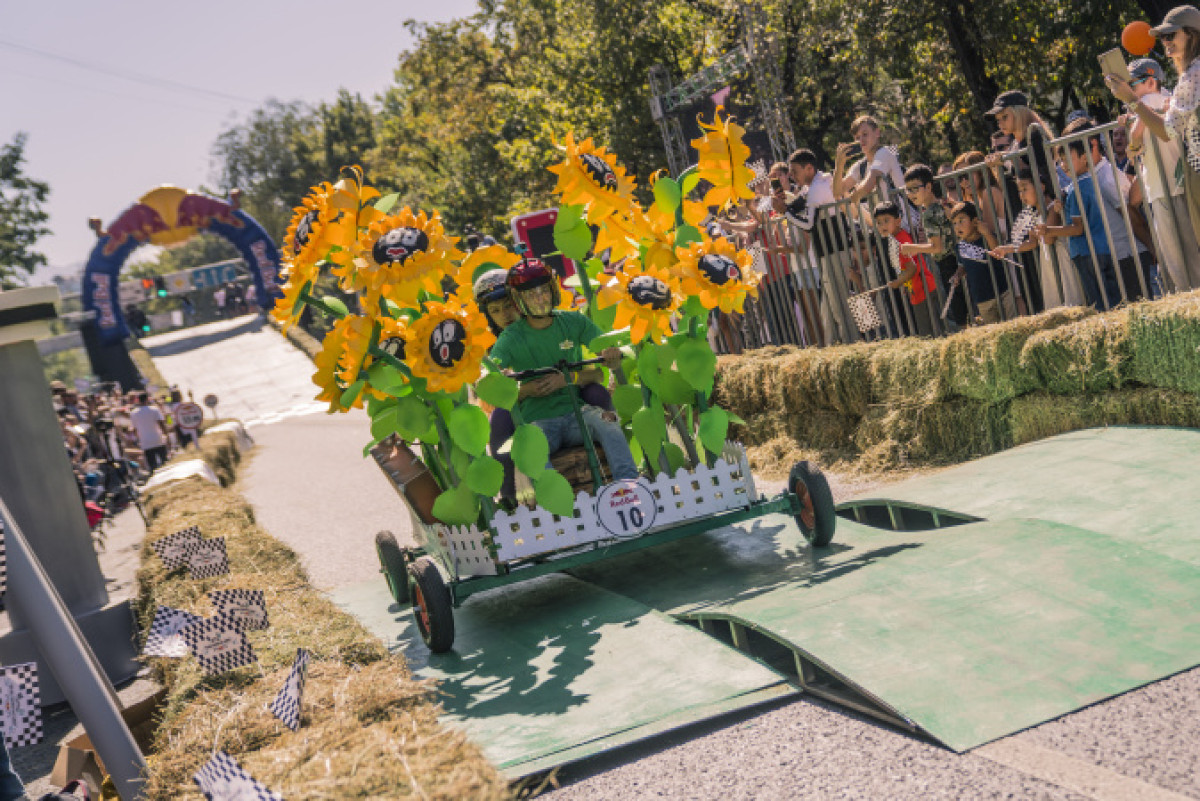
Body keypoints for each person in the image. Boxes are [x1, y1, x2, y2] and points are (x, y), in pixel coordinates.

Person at [488, 258, 638, 492]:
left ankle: (630, 486)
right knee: (533, 450)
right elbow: (490, 382)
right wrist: (522, 389)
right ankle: (556, 508)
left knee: (607, 422)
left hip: (578, 414)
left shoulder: (573, 321)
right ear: (519, 301)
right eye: (531, 295)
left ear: (553, 290)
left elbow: (601, 365)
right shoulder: (510, 339)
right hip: (538, 423)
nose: (539, 300)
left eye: (543, 292)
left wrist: (606, 356)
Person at [1105, 4, 1200, 247]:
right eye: (1163, 37)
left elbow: (1167, 131)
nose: (1165, 41)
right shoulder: (1190, 74)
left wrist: (1132, 101)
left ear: (1192, 34)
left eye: (1171, 35)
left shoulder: (1194, 73)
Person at [1123, 56, 1200, 291]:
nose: (1130, 90)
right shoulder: (1167, 98)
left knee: (1176, 258)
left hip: (1165, 187)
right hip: (1173, 182)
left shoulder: (1150, 99)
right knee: (1188, 252)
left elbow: (1135, 137)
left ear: (1150, 82)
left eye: (1133, 83)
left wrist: (1131, 144)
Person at [1035, 138, 1122, 310]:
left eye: (1068, 158)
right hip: (1102, 248)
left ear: (1084, 158)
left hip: (1086, 252)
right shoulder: (1090, 183)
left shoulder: (1076, 190)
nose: (1064, 164)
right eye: (1061, 160)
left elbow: (1077, 228)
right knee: (1113, 299)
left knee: (1098, 302)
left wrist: (1049, 230)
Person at [991, 167, 1085, 309]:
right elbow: (1032, 242)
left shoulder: (1053, 206)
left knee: (1070, 299)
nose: (1021, 195)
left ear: (1041, 186)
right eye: (1019, 191)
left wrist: (1039, 231)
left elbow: (1049, 239)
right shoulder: (1032, 213)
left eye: (1025, 189)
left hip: (1061, 259)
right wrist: (1007, 248)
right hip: (1047, 262)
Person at [902, 164, 968, 330]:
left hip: (946, 263)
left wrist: (913, 248)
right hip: (960, 258)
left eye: (915, 189)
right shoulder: (941, 204)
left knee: (957, 310)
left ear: (929, 186)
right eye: (908, 190)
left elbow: (936, 247)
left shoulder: (929, 214)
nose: (911, 194)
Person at [834, 114, 918, 230]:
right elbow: (838, 193)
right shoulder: (861, 165)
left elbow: (868, 185)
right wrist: (839, 166)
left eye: (865, 134)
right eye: (857, 137)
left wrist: (853, 197)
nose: (861, 140)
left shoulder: (884, 153)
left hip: (906, 224)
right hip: (888, 228)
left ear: (877, 133)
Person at [874, 202, 938, 336]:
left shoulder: (899, 241)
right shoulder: (896, 238)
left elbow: (912, 269)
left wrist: (898, 282)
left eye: (886, 220)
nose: (882, 225)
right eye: (879, 222)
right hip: (918, 289)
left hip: (922, 289)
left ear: (898, 221)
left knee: (928, 333)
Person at [950, 201, 1014, 324]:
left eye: (961, 220)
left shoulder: (986, 238)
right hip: (982, 298)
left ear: (974, 221)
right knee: (993, 330)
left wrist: (986, 233)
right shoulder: (960, 247)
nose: (957, 226)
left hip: (1002, 291)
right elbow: (962, 266)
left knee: (1011, 324)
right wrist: (957, 275)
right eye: (954, 223)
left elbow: (997, 251)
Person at [129, 392, 170, 471]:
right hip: (158, 439)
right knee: (165, 462)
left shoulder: (134, 413)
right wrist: (166, 435)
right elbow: (161, 424)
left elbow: (134, 429)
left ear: (138, 400)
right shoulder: (154, 409)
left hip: (145, 442)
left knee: (152, 465)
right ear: (147, 399)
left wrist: (138, 440)